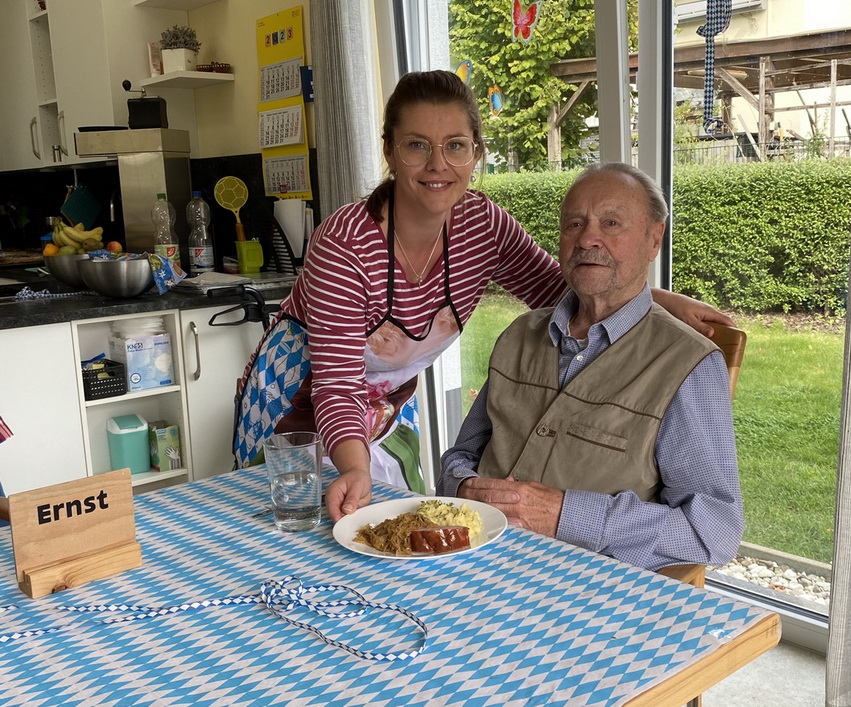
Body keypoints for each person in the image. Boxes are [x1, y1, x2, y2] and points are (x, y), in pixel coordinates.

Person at [235, 70, 734, 524]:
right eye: (416, 145)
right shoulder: (345, 241)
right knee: (295, 532)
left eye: (455, 145)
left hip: (384, 408)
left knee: (387, 542)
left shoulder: (482, 226)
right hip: (299, 400)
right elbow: (337, 383)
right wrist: (354, 466)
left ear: (476, 152)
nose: (438, 165)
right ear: (388, 150)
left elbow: (566, 286)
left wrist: (657, 301)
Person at [438, 163, 743, 572]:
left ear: (655, 239)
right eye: (574, 224)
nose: (587, 239)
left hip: (585, 595)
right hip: (471, 564)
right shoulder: (518, 335)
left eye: (612, 223)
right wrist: (465, 486)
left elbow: (715, 533)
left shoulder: (688, 365)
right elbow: (461, 455)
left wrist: (566, 514)